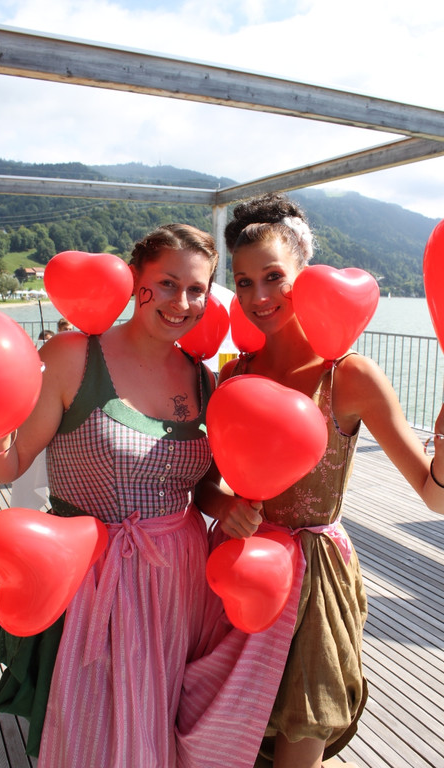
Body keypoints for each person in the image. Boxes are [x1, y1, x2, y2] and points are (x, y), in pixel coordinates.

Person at [0, 223, 280, 768]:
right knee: (93, 727)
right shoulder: (75, 356)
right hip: (94, 577)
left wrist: (229, 508)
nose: (182, 302)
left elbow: (202, 486)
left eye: (196, 290)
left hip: (180, 578)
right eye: (166, 283)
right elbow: (9, 464)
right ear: (133, 280)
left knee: (160, 714)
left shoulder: (202, 378)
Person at [196, 192, 444, 768]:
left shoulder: (350, 376)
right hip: (240, 566)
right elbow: (204, 483)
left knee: (301, 729)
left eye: (274, 277)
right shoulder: (235, 373)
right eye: (245, 280)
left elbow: (433, 497)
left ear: (305, 274)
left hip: (314, 580)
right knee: (227, 727)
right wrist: (222, 505)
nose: (258, 297)